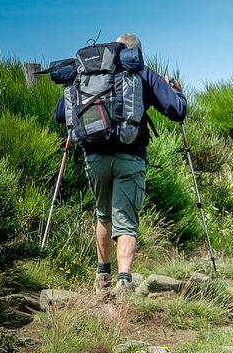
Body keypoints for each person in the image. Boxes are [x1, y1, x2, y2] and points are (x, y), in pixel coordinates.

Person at [54, 33, 187, 300]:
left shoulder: (87, 74)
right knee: (125, 219)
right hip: (129, 156)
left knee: (103, 215)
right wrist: (176, 91)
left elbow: (60, 114)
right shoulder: (140, 73)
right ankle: (124, 282)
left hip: (94, 156)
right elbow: (177, 111)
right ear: (137, 53)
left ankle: (102, 278)